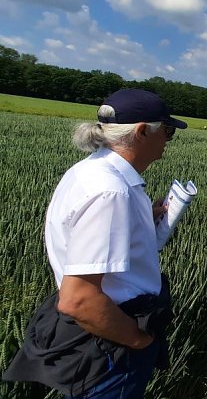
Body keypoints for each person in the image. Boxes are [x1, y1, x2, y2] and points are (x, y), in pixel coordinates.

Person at [3, 89, 185, 398]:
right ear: (142, 131)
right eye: (166, 131)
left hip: (103, 337)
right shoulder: (110, 192)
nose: (168, 140)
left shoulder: (91, 171)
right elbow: (79, 299)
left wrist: (142, 217)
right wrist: (139, 340)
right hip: (110, 346)